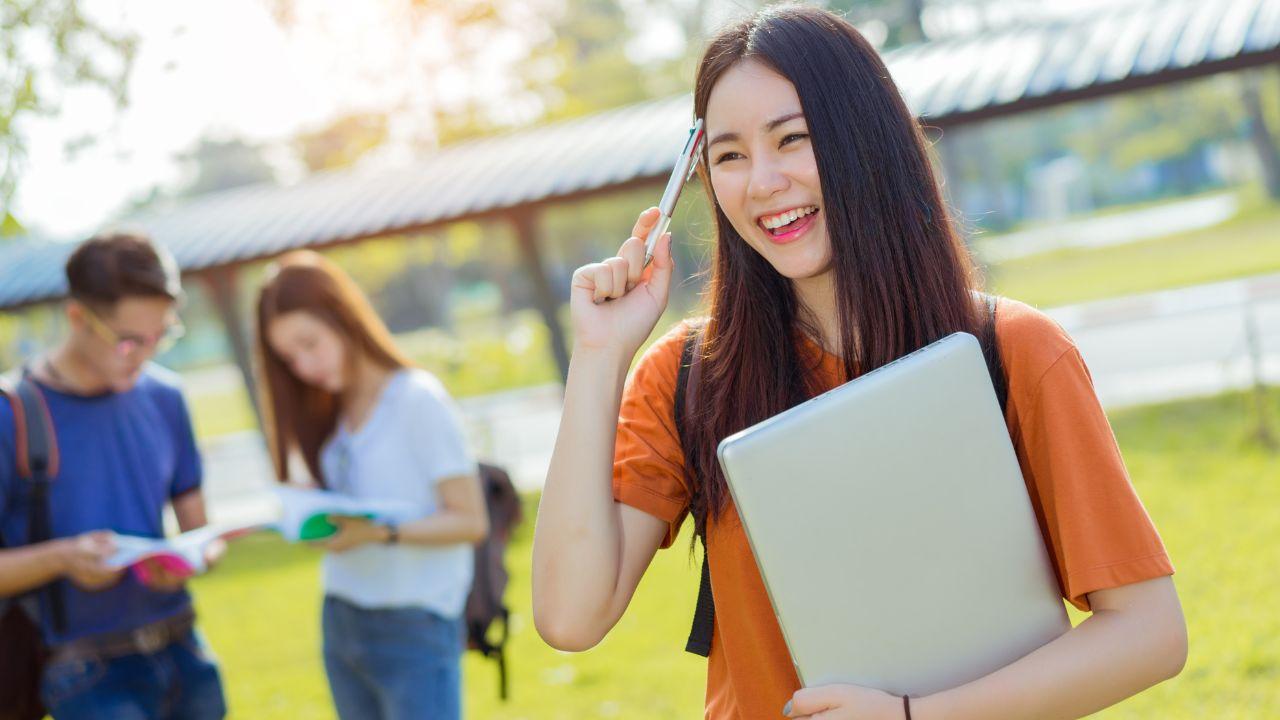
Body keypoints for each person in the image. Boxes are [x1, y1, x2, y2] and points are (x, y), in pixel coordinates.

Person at [531, 6, 1187, 719]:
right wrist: (599, 354)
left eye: (794, 139)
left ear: (865, 141)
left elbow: (1149, 632)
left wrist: (911, 717)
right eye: (729, 155)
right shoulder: (690, 374)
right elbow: (570, 617)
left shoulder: (1015, 351)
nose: (763, 182)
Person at [0, 232, 227, 719]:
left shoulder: (167, 397)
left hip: (186, 650)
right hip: (86, 674)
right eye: (128, 341)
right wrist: (64, 558)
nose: (144, 355)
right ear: (78, 317)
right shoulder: (12, 413)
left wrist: (195, 557)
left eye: (161, 336)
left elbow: (199, 531)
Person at [254, 250, 488, 720]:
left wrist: (380, 533)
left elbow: (470, 521)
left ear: (343, 318)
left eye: (309, 343)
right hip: (342, 619)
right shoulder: (329, 411)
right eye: (289, 357)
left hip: (415, 624)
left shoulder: (416, 399)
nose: (303, 366)